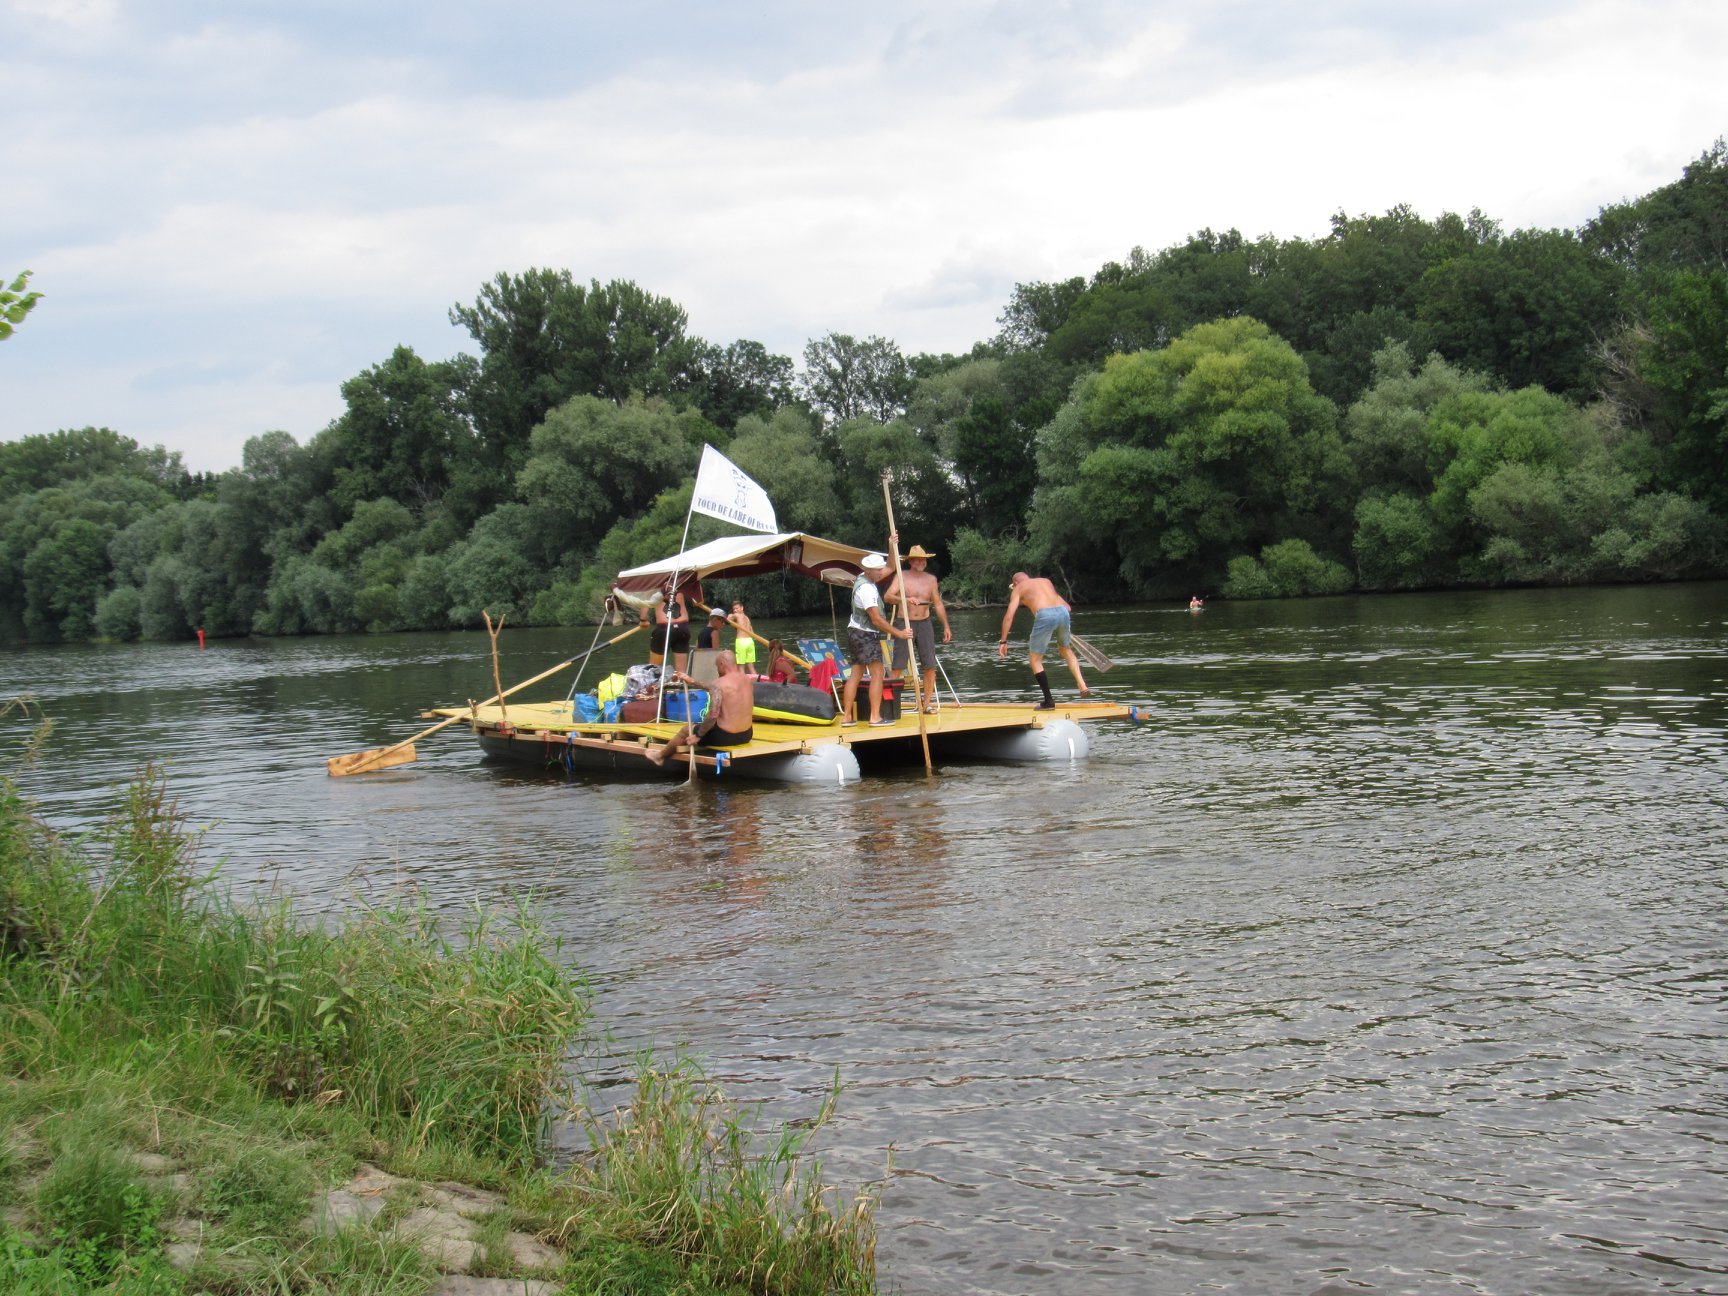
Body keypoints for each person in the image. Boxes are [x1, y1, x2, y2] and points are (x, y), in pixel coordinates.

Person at [840, 547, 913, 727]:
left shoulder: (864, 578)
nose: (882, 572)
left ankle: (847, 717)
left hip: (855, 632)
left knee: (856, 674)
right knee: (878, 673)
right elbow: (877, 620)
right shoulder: (867, 590)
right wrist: (900, 633)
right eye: (878, 570)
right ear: (869, 570)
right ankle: (875, 717)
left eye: (881, 569)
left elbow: (890, 566)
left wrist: (891, 545)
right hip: (865, 635)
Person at [998, 571, 1090, 709]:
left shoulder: (1018, 588)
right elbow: (1067, 607)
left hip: (1045, 615)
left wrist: (1003, 641)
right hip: (1062, 613)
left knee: (1035, 659)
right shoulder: (1045, 582)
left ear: (1015, 583)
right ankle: (1082, 685)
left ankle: (1048, 701)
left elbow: (1009, 616)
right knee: (1066, 650)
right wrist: (1060, 625)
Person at [647, 650, 755, 766]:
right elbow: (713, 687)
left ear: (722, 664)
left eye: (717, 666)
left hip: (725, 737)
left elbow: (713, 714)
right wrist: (692, 681)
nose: (717, 670)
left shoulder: (718, 684)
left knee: (686, 730)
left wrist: (698, 735)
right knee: (701, 726)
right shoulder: (747, 680)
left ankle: (660, 757)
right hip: (746, 735)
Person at [883, 543, 952, 714]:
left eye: (923, 559)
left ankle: (926, 704)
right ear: (911, 561)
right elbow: (888, 596)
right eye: (917, 559)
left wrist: (946, 626)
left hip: (925, 622)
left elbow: (937, 603)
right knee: (898, 664)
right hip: (904, 622)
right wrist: (905, 600)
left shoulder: (931, 580)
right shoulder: (902, 576)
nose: (920, 562)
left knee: (930, 665)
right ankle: (890, 705)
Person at [643, 580, 691, 674]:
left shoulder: (656, 582)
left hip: (664, 627)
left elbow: (645, 603)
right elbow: (699, 601)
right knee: (681, 672)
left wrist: (643, 620)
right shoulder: (681, 580)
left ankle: (652, 685)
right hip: (682, 627)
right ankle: (681, 684)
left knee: (653, 669)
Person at [729, 601, 757, 668]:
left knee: (741, 665)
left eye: (737, 608)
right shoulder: (747, 618)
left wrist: (729, 617)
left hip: (741, 641)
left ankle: (741, 676)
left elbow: (729, 618)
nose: (735, 610)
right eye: (734, 609)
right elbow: (752, 631)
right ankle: (754, 675)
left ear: (742, 608)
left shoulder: (737, 615)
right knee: (751, 665)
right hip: (750, 641)